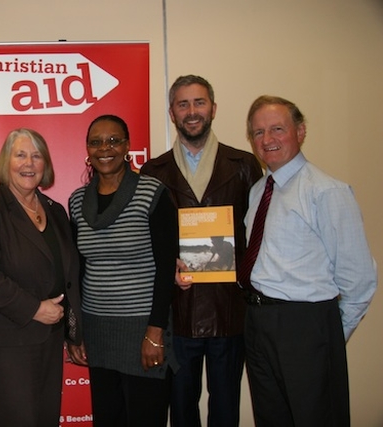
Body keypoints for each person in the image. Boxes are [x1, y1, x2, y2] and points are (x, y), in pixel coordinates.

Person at [242, 95, 377, 426]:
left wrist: (326, 334)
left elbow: (359, 280)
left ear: (300, 131)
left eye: (277, 129)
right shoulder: (259, 190)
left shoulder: (327, 191)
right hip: (258, 322)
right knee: (271, 418)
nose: (267, 140)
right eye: (258, 132)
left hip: (307, 326)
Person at [141, 75, 262, 427]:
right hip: (177, 312)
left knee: (225, 409)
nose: (191, 112)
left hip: (229, 308)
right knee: (180, 410)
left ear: (213, 108)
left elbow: (258, 236)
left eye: (199, 103)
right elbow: (148, 244)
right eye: (183, 104)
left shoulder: (244, 165)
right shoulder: (152, 171)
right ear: (171, 113)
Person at [0, 128, 82, 427]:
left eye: (37, 156)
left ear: (45, 165)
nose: (29, 163)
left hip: (49, 340)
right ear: (7, 161)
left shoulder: (55, 211)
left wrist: (72, 331)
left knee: (45, 419)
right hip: (5, 340)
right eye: (20, 155)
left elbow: (68, 274)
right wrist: (34, 309)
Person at [67, 114, 179, 427]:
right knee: (108, 419)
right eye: (96, 141)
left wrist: (155, 332)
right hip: (97, 330)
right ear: (88, 149)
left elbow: (165, 266)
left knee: (146, 419)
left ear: (128, 146)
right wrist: (75, 331)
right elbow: (77, 272)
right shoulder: (77, 202)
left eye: (114, 140)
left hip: (143, 331)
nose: (105, 148)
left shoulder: (152, 194)